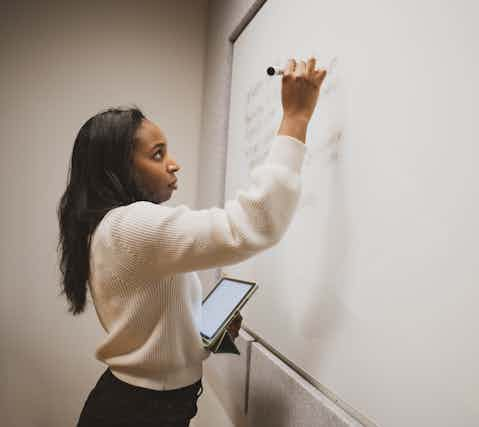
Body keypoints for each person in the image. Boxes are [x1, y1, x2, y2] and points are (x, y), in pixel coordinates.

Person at [57, 57, 326, 427]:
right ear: (119, 169)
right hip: (138, 413)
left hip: (140, 406)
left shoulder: (114, 229)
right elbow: (252, 224)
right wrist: (296, 118)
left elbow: (152, 334)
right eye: (157, 154)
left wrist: (202, 334)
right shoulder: (131, 226)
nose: (174, 164)